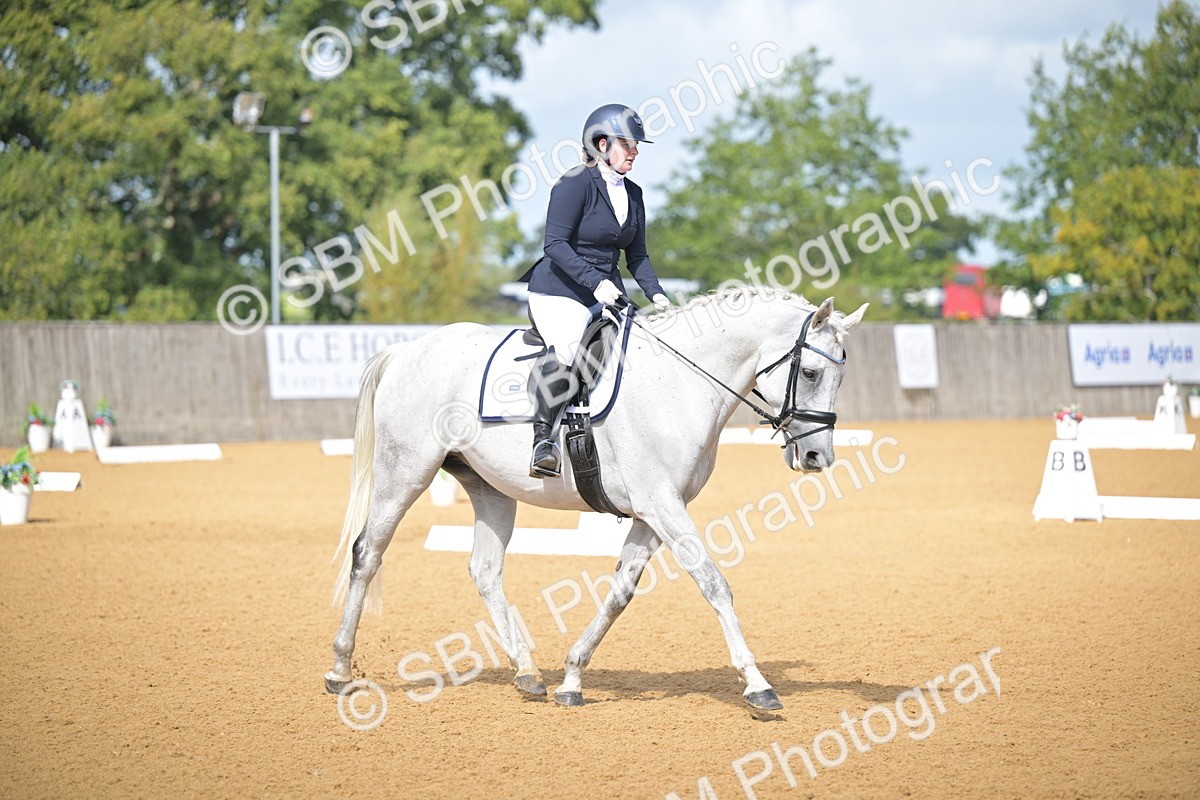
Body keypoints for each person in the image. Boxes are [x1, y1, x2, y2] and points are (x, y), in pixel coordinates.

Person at [520, 103, 672, 479]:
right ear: (602, 144)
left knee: (642, 348)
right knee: (570, 347)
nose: (635, 150)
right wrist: (597, 282)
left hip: (606, 291)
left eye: (636, 144)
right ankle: (544, 441)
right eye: (628, 143)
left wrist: (657, 295)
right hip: (559, 289)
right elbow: (554, 244)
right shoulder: (574, 183)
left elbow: (637, 255)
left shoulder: (633, 194)